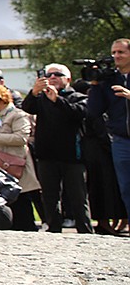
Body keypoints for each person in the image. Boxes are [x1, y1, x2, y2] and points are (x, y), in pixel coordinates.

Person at [23, 64, 91, 233]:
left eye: (57, 75)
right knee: (49, 196)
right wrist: (34, 92)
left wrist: (57, 100)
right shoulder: (42, 98)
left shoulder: (78, 97)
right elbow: (27, 108)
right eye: (49, 75)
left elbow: (78, 113)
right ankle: (54, 230)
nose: (52, 77)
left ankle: (85, 231)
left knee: (78, 197)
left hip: (72, 156)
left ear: (68, 79)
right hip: (47, 155)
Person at [0, 84, 41, 231]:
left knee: (21, 201)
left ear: (3, 100)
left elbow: (21, 138)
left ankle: (28, 229)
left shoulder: (17, 115)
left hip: (15, 163)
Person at [85, 39, 130, 221]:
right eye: (114, 53)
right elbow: (94, 111)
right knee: (126, 186)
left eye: (121, 52)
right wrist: (95, 84)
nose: (116, 56)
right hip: (121, 141)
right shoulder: (109, 79)